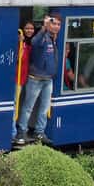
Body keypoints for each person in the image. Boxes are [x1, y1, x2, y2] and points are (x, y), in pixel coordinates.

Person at [15, 9, 61, 146]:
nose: (56, 27)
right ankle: (22, 131)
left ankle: (39, 132)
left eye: (59, 24)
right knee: (28, 106)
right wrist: (43, 28)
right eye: (54, 24)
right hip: (35, 78)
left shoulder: (53, 38)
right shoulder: (42, 36)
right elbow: (35, 42)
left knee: (44, 107)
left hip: (48, 79)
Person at [12, 21, 34, 140]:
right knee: (14, 104)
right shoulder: (19, 44)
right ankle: (13, 132)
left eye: (31, 28)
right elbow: (18, 58)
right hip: (17, 77)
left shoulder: (29, 44)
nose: (29, 30)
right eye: (27, 28)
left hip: (25, 78)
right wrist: (20, 42)